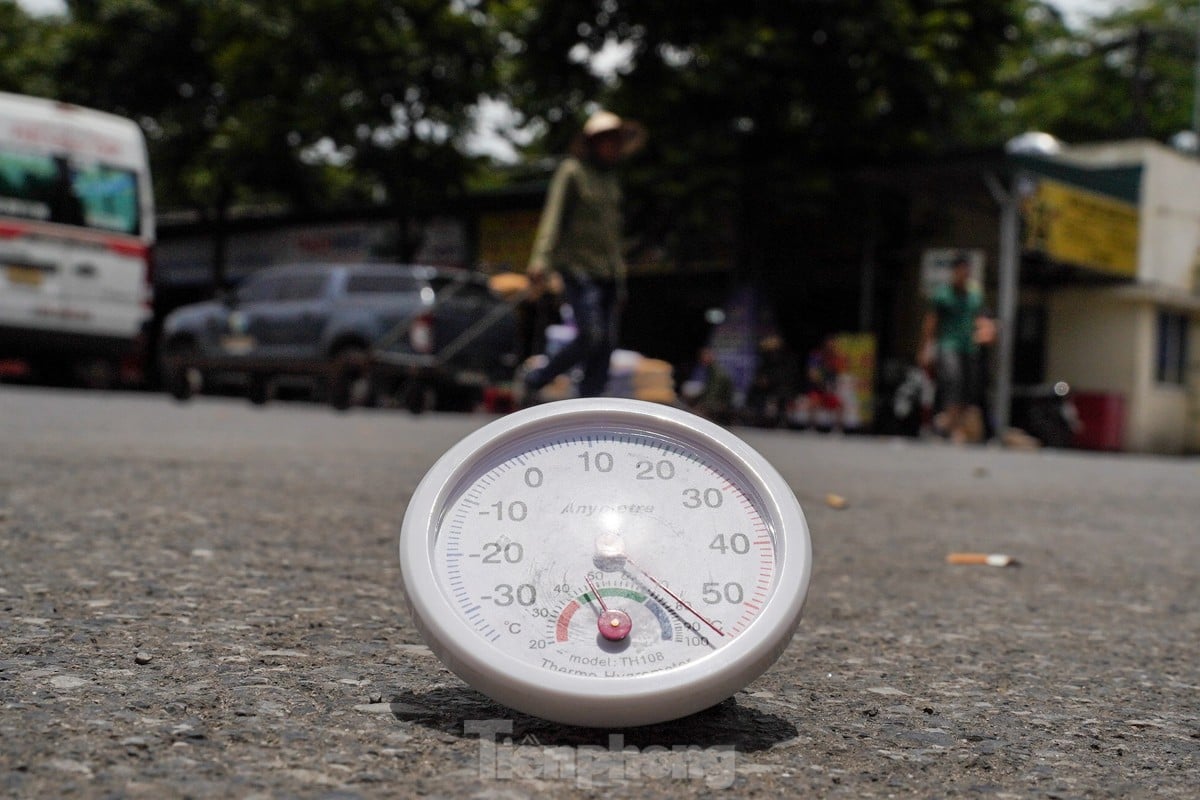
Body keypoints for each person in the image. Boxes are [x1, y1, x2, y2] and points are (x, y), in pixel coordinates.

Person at [520, 110, 646, 401]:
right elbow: (553, 217)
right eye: (606, 140)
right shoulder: (572, 171)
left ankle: (591, 402)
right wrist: (541, 261)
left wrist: (621, 280)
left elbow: (612, 235)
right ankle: (537, 378)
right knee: (591, 335)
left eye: (616, 141)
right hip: (579, 269)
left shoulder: (611, 180)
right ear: (593, 142)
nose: (612, 147)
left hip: (608, 274)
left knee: (606, 345)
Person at [920, 253, 995, 443]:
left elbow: (982, 319)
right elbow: (931, 322)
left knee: (968, 387)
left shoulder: (975, 296)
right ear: (954, 272)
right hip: (948, 344)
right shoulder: (943, 295)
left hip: (969, 347)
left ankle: (954, 425)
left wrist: (987, 331)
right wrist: (926, 348)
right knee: (953, 380)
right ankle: (951, 426)